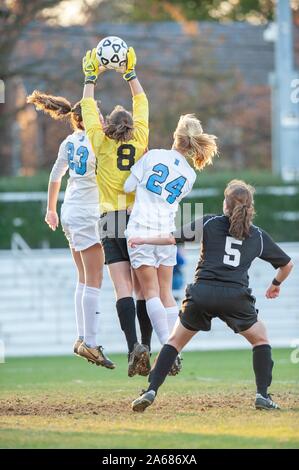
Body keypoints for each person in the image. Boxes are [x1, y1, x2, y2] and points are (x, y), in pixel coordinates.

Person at [130, 179, 293, 412]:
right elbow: (287, 264)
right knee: (260, 339)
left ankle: (150, 390)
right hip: (235, 297)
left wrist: (142, 239)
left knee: (174, 342)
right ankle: (262, 396)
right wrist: (275, 284)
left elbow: (170, 239)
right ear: (251, 207)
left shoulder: (209, 223)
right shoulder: (257, 236)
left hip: (202, 293)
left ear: (225, 205)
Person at [27, 91, 115, 369]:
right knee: (94, 279)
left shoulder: (69, 141)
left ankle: (82, 338)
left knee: (82, 278)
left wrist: (51, 209)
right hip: (89, 214)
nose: (101, 119)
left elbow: (56, 176)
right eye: (97, 115)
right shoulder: (97, 142)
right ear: (84, 119)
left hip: (69, 212)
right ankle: (90, 342)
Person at [124, 114, 218, 374]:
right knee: (166, 294)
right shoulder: (190, 174)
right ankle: (174, 348)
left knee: (150, 292)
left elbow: (127, 184)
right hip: (167, 234)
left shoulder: (153, 155)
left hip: (141, 229)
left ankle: (168, 348)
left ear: (175, 136)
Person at [80, 48, 152, 376]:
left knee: (122, 288)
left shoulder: (100, 142)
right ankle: (148, 347)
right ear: (132, 126)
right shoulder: (140, 139)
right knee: (144, 289)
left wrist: (91, 77)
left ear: (107, 124)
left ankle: (132, 347)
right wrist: (131, 74)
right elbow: (143, 103)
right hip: (138, 220)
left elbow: (86, 110)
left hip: (109, 220)